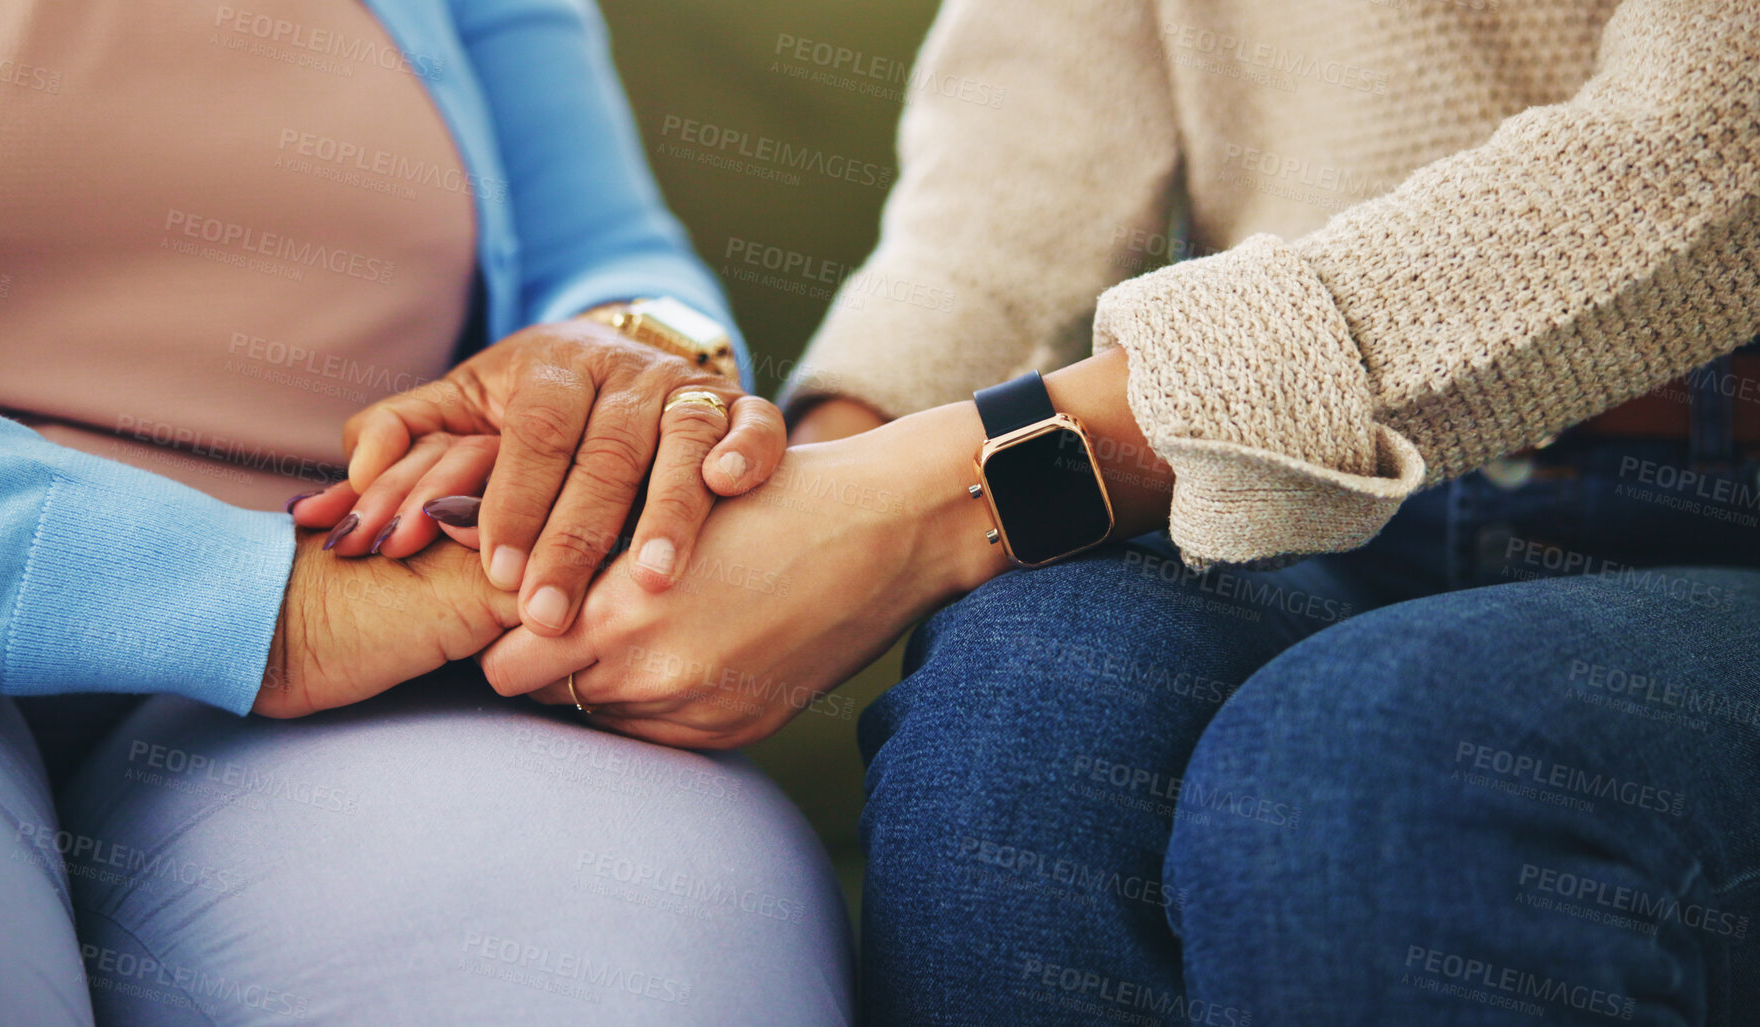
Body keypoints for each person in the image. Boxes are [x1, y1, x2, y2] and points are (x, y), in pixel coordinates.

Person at [360, 0, 1760, 1020]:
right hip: (1303, 474)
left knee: (1379, 758)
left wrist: (925, 497)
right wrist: (777, 498)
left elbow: (1717, 151)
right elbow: (1018, 176)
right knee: (1012, 707)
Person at [0, 0, 849, 1023]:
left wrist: (622, 366)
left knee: (638, 942)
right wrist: (268, 608)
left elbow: (608, 245)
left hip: (390, 632)